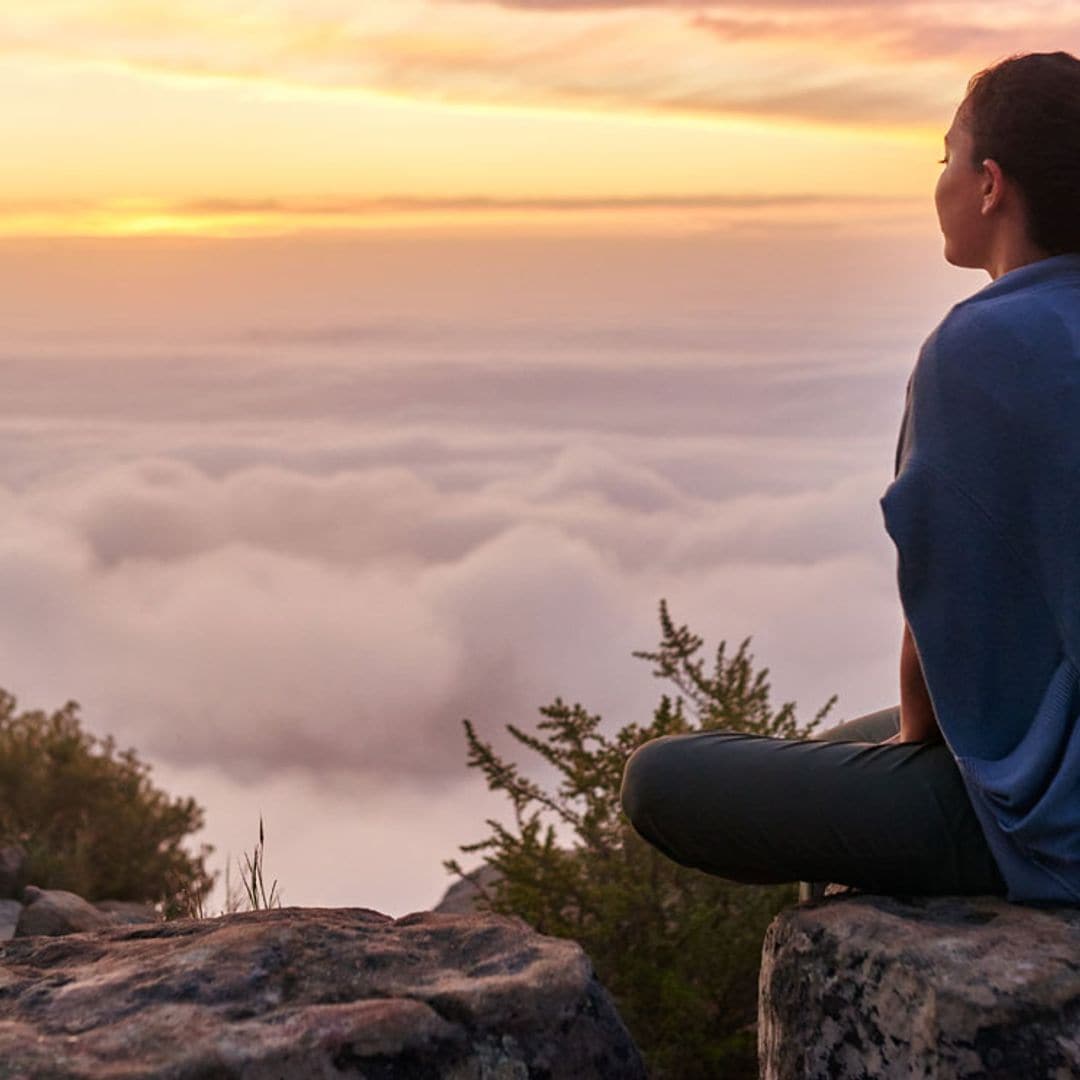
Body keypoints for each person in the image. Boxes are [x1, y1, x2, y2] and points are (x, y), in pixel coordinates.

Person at [620, 52, 1080, 904]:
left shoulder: (984, 345)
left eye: (944, 157)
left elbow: (943, 637)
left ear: (989, 185)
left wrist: (904, 764)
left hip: (1066, 821)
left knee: (662, 781)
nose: (936, 181)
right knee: (835, 747)